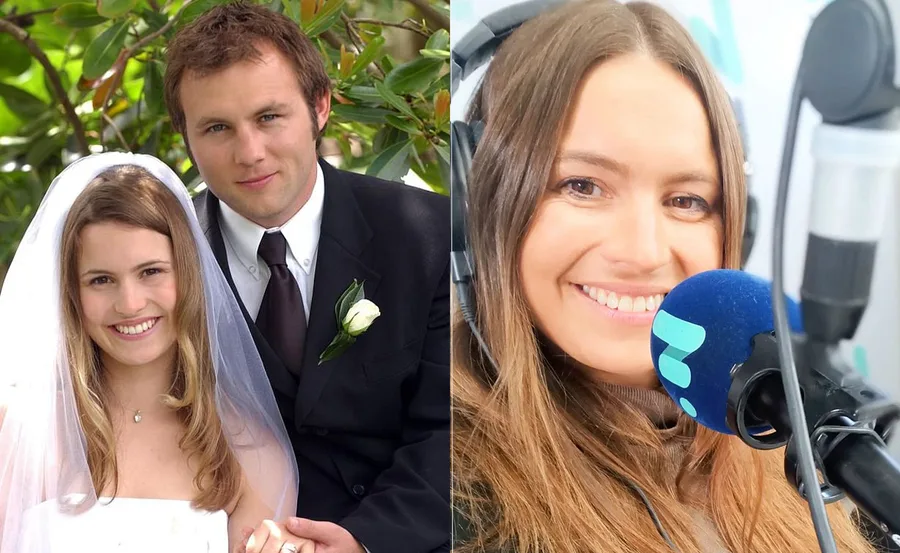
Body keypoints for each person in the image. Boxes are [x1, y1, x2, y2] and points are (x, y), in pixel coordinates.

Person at [451, 2, 881, 552]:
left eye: (686, 200)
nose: (643, 252)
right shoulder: (442, 490)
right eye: (582, 186)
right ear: (477, 205)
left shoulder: (815, 455)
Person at [162, 3, 451, 552]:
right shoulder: (163, 262)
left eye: (269, 117)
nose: (250, 153)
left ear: (320, 107)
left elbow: (458, 429)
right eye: (217, 128)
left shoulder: (429, 235)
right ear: (186, 136)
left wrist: (365, 541)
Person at [0, 153, 299, 553]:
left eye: (151, 271)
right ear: (72, 293)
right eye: (100, 280)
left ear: (188, 274)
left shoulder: (252, 455)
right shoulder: (18, 432)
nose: (130, 303)